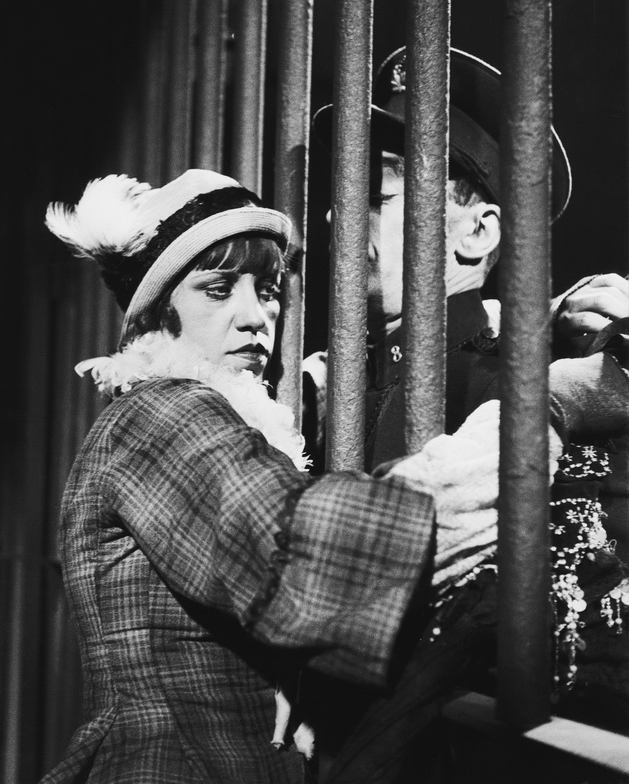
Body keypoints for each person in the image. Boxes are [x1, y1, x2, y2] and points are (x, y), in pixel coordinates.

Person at [40, 167, 554, 784]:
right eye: (217, 289)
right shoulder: (161, 413)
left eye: (268, 289)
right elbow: (305, 553)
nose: (256, 316)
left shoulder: (217, 415)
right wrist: (545, 406)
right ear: (156, 312)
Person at [308, 47, 629, 473]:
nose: (335, 215)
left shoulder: (527, 392)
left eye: (375, 197)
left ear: (478, 233)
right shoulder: (312, 396)